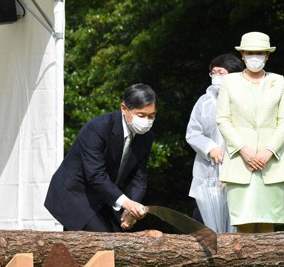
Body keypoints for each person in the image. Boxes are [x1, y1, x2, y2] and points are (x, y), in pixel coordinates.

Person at [44, 83, 158, 232]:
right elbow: (95, 175)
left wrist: (132, 209)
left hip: (106, 197)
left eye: (152, 116)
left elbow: (139, 178)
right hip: (76, 194)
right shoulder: (97, 128)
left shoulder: (146, 137)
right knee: (102, 243)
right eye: (141, 115)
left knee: (119, 243)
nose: (146, 121)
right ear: (124, 109)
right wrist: (127, 203)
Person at [216, 32, 284, 233]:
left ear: (267, 55)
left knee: (268, 223)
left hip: (272, 163)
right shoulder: (229, 82)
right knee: (244, 224)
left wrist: (268, 151)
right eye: (250, 53)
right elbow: (223, 120)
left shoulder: (279, 81)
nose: (255, 57)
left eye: (260, 53)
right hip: (240, 161)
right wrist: (244, 151)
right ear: (242, 55)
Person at [186, 53, 244, 233]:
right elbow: (193, 132)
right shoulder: (204, 102)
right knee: (203, 226)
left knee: (238, 229)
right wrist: (210, 148)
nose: (216, 77)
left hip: (237, 173)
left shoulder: (244, 101)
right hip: (207, 175)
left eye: (221, 73)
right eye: (213, 73)